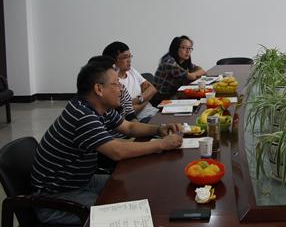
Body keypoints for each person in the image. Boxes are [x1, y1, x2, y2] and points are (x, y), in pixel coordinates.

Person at [31, 61, 182, 224]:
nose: (121, 89)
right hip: (54, 200)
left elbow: (129, 127)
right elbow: (117, 151)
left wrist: (159, 129)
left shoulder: (98, 107)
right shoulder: (82, 115)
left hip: (81, 182)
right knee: (125, 213)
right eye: (116, 84)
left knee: (135, 188)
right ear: (99, 89)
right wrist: (162, 144)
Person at [103, 41, 158, 122]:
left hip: (155, 112)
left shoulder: (131, 70)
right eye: (125, 57)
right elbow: (128, 112)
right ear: (113, 61)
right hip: (141, 120)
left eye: (130, 56)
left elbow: (152, 89)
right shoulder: (112, 83)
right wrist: (146, 99)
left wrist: (137, 100)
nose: (129, 60)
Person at [154, 35, 206, 100]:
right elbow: (191, 76)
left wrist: (194, 74)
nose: (188, 51)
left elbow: (202, 71)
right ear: (175, 48)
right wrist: (194, 74)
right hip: (162, 98)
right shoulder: (169, 62)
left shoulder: (183, 61)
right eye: (184, 48)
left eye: (189, 48)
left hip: (174, 94)